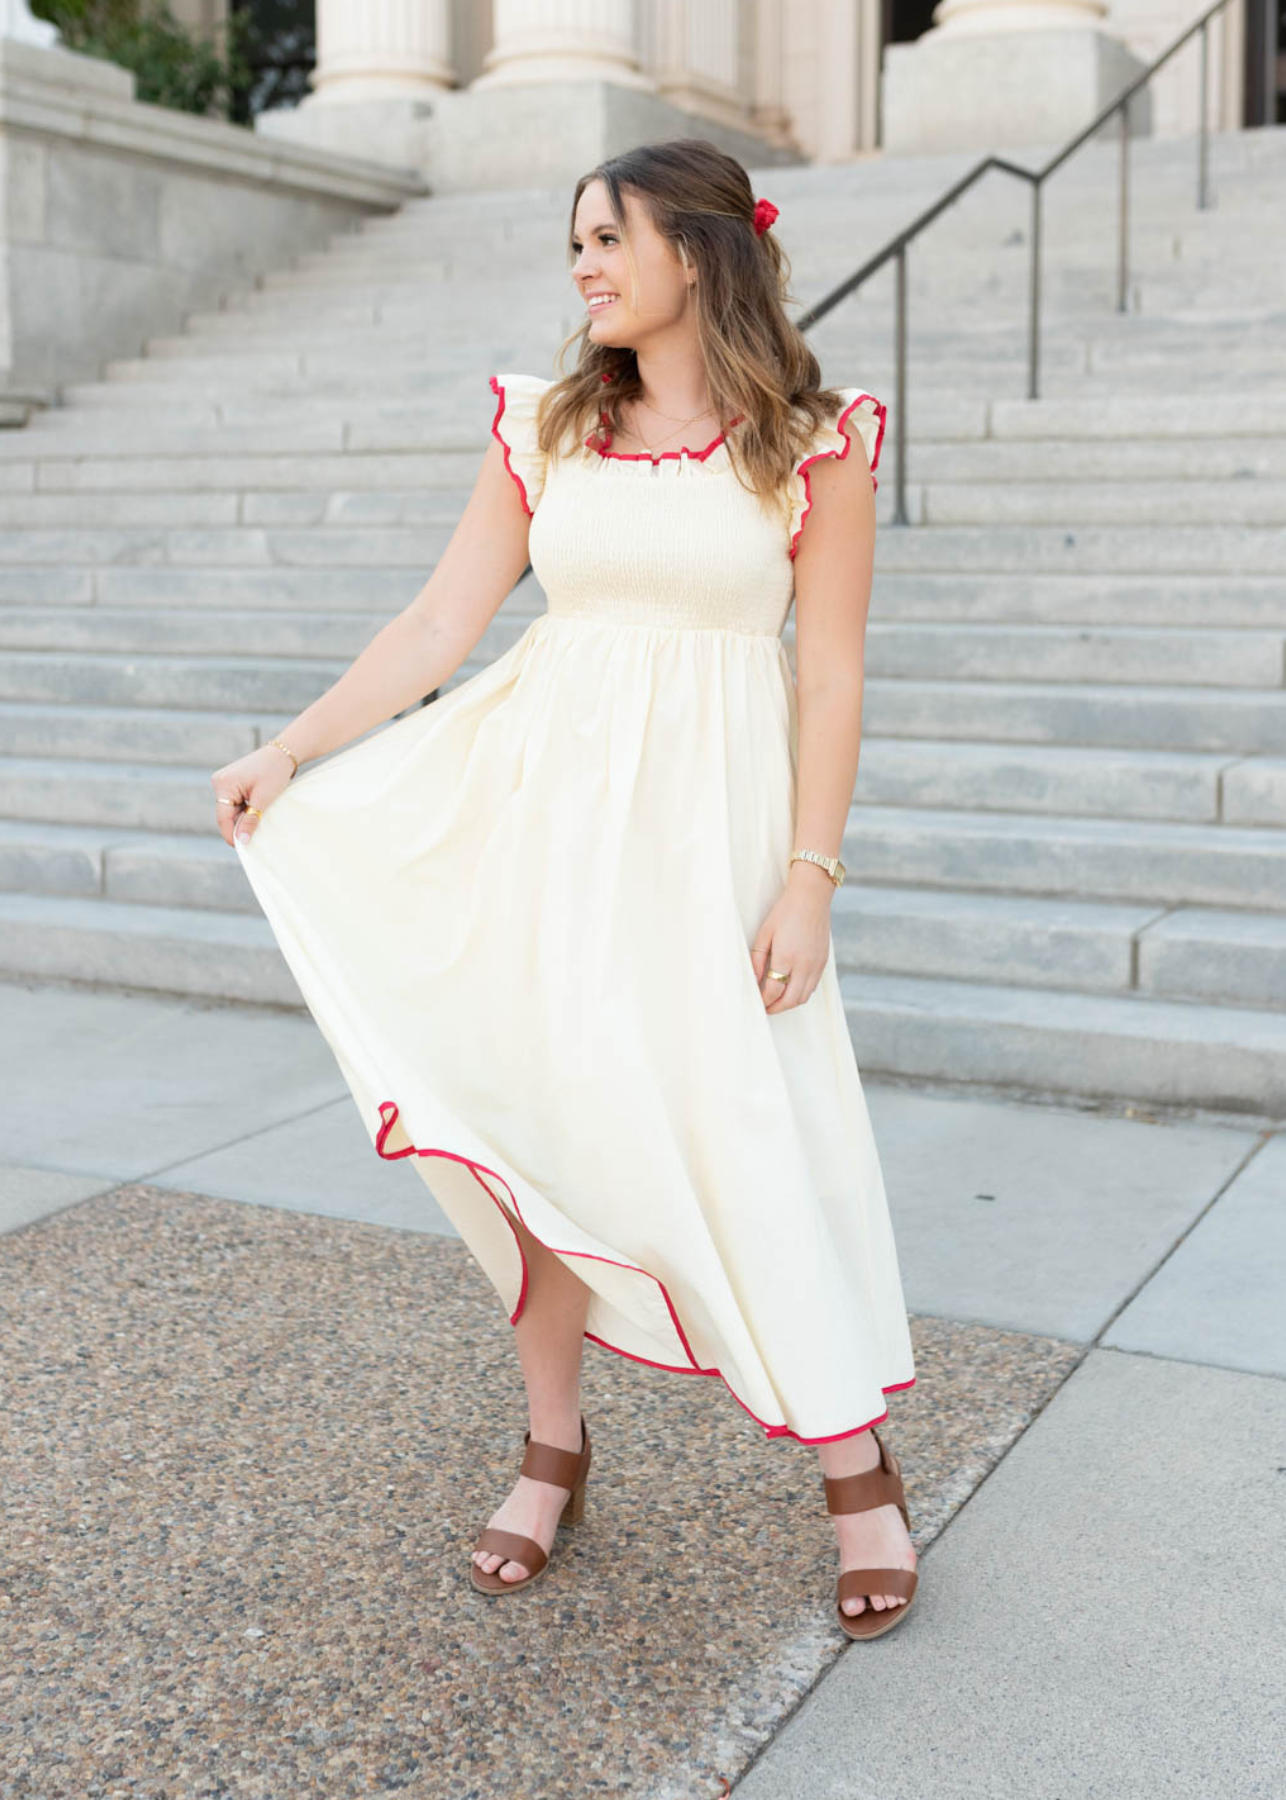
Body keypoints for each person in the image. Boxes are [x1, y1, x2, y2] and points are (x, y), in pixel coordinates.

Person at [212, 138, 919, 1641]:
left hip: (714, 847)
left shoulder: (812, 441)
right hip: (535, 826)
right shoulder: (545, 428)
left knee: (749, 1130)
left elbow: (834, 675)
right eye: (576, 244)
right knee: (525, 1137)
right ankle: (551, 1449)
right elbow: (436, 621)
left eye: (609, 239)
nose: (586, 266)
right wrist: (292, 747)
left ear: (699, 254)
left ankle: (856, 1471)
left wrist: (810, 880)